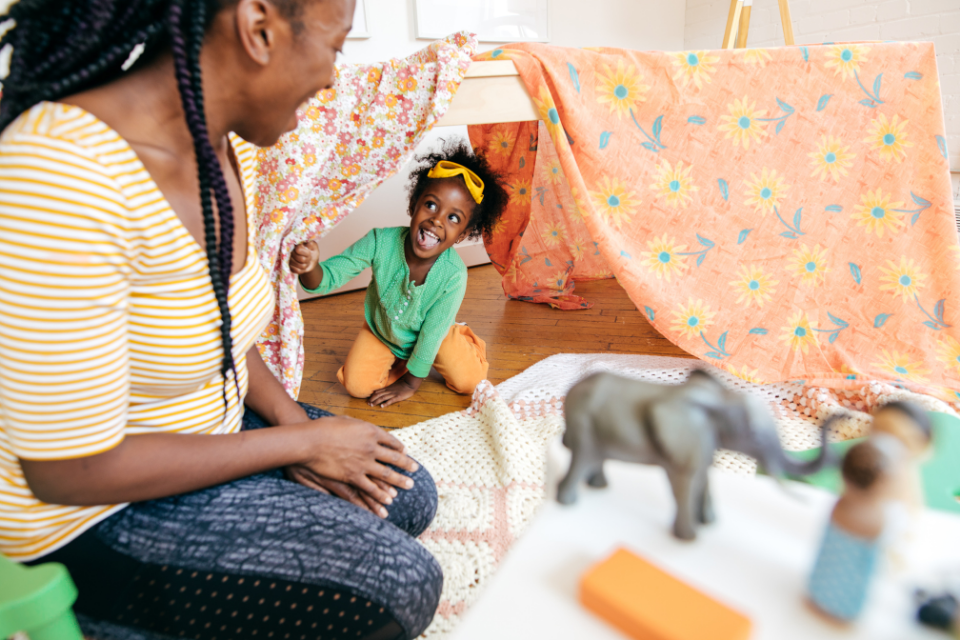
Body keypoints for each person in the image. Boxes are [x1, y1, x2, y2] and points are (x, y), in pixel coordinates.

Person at [0, 1, 442, 639]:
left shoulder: (216, 150)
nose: (331, 77)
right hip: (88, 512)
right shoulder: (61, 174)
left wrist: (294, 423)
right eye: (334, 47)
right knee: (401, 586)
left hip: (208, 432)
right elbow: (67, 469)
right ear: (259, 27)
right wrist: (301, 443)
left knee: (406, 494)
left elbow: (225, 331)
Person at [289, 141, 507, 408]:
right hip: (383, 332)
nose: (437, 220)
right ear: (413, 205)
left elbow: (430, 334)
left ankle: (458, 339)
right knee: (357, 387)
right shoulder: (380, 241)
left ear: (462, 235)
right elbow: (326, 280)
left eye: (453, 218)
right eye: (431, 204)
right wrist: (311, 267)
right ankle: (406, 360)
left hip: (434, 337)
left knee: (469, 382)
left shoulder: (454, 275)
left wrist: (409, 384)